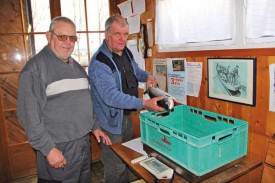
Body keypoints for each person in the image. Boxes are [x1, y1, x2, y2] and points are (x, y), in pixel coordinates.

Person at [17, 16, 111, 183]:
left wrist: (94, 126)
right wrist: (48, 149)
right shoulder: (34, 70)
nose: (68, 42)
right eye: (62, 37)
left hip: (83, 144)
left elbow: (85, 102)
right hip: (57, 147)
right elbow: (28, 116)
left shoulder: (77, 68)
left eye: (72, 38)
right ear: (49, 36)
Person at [88, 15, 165, 183]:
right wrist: (144, 103)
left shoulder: (126, 52)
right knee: (115, 167)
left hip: (126, 117)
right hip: (108, 124)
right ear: (107, 34)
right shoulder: (99, 62)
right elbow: (111, 97)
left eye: (125, 34)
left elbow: (136, 71)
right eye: (117, 34)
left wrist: (148, 76)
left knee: (126, 161)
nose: (122, 39)